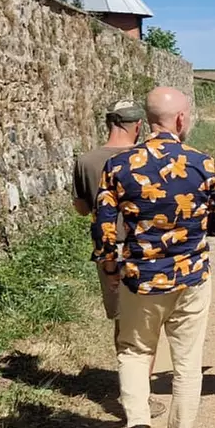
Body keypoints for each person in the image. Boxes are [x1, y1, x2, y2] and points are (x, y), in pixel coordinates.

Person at [92, 87, 215, 428]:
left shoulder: (119, 165)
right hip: (191, 277)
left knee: (135, 352)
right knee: (187, 360)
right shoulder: (204, 164)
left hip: (141, 277)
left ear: (147, 121)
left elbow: (103, 225)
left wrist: (109, 267)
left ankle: (137, 423)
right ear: (182, 120)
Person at [72, 101, 144, 333]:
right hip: (147, 247)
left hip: (109, 249)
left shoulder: (86, 162)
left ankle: (129, 366)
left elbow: (82, 209)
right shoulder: (147, 157)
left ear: (108, 123)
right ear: (138, 125)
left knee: (123, 323)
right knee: (151, 318)